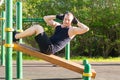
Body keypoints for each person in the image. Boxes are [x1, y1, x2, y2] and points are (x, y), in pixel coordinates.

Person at [13, 12, 89, 54]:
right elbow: (45, 18)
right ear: (63, 18)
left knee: (38, 27)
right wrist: (56, 16)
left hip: (50, 49)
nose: (66, 21)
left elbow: (86, 29)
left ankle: (16, 36)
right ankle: (17, 36)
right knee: (37, 27)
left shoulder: (72, 30)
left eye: (69, 20)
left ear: (71, 21)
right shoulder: (58, 26)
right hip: (47, 46)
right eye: (65, 19)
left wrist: (78, 22)